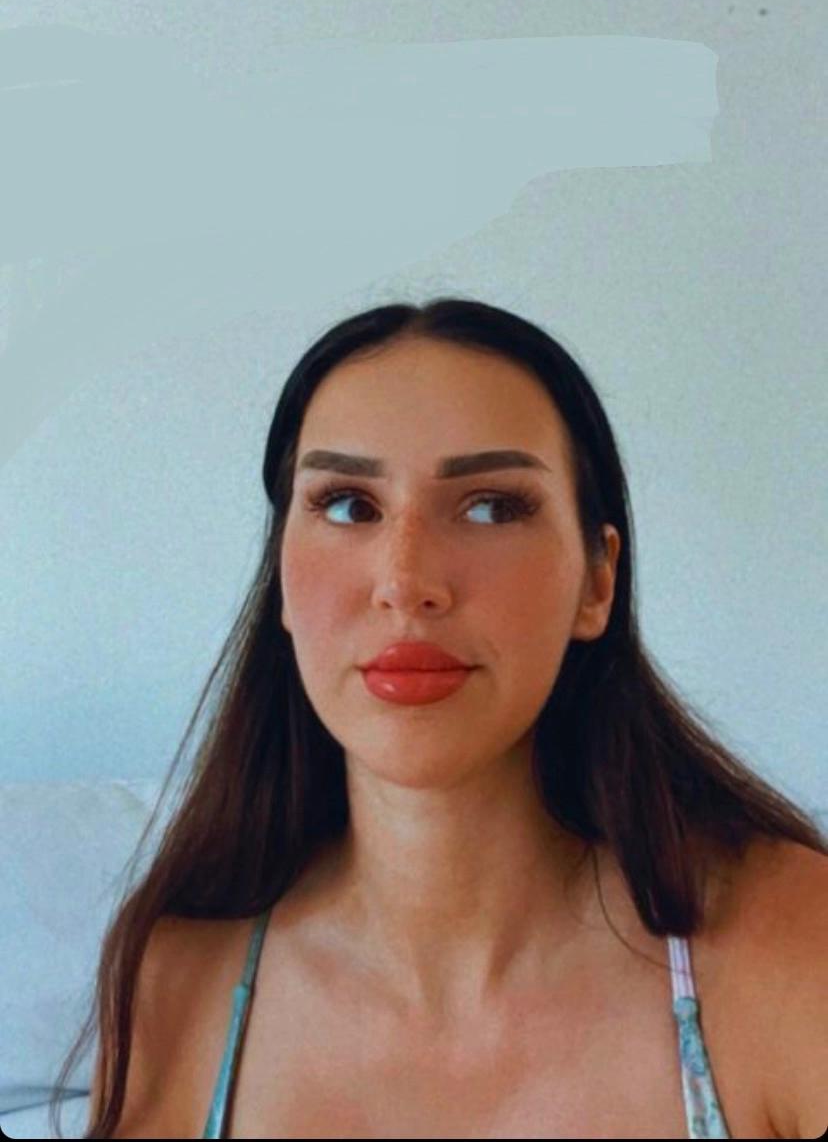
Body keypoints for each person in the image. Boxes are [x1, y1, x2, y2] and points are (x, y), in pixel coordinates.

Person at [52, 296, 827, 1139]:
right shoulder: (177, 979)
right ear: (281, 577)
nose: (405, 581)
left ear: (597, 581)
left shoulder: (789, 949)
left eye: (491, 505)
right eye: (348, 505)